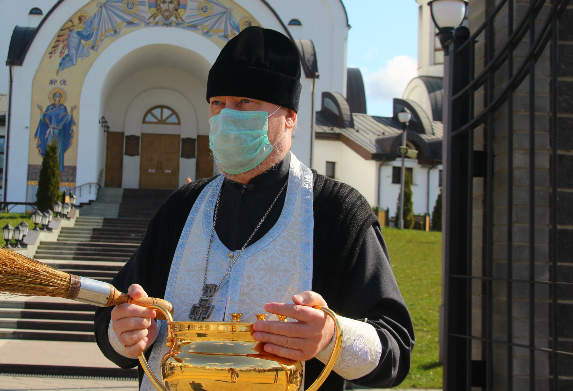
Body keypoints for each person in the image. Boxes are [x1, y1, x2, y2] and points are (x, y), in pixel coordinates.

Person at [94, 26, 414, 390]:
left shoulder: (335, 213)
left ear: (289, 116)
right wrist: (125, 331)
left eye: (246, 102)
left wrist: (330, 337)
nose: (227, 117)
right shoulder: (181, 209)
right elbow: (114, 317)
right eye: (218, 104)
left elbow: (395, 351)